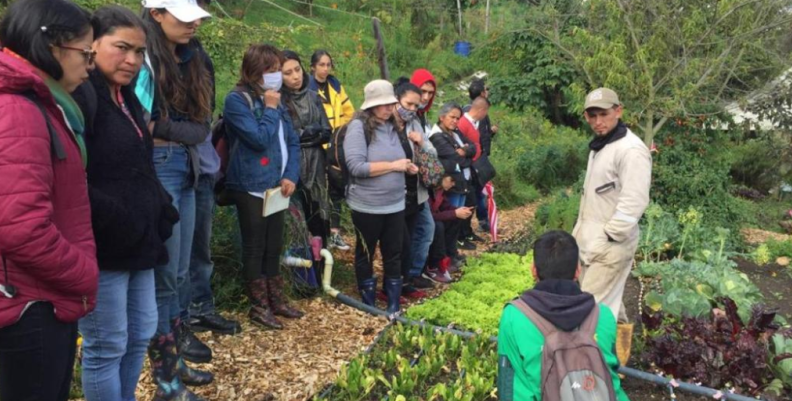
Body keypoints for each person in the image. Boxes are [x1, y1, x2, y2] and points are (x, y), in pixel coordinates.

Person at [70, 6, 176, 400]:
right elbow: (71, 180)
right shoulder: (82, 97)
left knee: (140, 334)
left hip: (139, 242)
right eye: (121, 48)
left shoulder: (126, 98)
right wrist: (117, 217)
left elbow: (137, 165)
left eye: (139, 52)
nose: (131, 60)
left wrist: (160, 207)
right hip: (104, 245)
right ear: (92, 45)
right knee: (106, 345)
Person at [0, 0, 99, 399]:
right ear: (52, 45)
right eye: (85, 52)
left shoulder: (37, 102)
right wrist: (84, 274)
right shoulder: (18, 110)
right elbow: (19, 226)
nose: (90, 64)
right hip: (32, 306)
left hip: (37, 298)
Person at [140, 0, 216, 395]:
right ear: (156, 14)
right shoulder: (144, 59)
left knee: (178, 273)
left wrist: (179, 130)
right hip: (161, 161)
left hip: (184, 163)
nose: (195, 23)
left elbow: (199, 123)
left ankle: (174, 363)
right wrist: (183, 130)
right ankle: (165, 380)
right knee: (164, 275)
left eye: (196, 16)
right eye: (184, 17)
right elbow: (140, 122)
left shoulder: (188, 56)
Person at [222, 44, 303, 329]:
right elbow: (257, 139)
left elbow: (292, 141)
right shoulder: (237, 100)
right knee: (255, 246)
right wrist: (269, 108)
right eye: (270, 70)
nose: (275, 76)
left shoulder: (277, 100)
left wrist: (291, 174)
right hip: (251, 185)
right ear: (254, 71)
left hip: (278, 186)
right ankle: (258, 306)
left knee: (273, 244)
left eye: (277, 70)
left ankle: (276, 299)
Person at [497, 231, 630, 401]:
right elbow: (611, 372)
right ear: (577, 271)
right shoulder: (602, 315)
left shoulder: (514, 317)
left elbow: (509, 388)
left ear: (534, 270)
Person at [187, 0, 242, 338]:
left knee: (199, 246)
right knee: (174, 258)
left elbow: (203, 110)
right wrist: (193, 130)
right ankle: (177, 323)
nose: (194, 23)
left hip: (202, 160)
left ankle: (201, 307)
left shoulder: (196, 53)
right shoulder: (150, 55)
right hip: (173, 160)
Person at [572, 88, 651, 323]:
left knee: (588, 313)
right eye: (592, 116)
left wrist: (610, 238)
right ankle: (621, 347)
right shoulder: (602, 145)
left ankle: (596, 358)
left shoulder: (631, 151)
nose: (598, 122)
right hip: (592, 242)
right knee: (607, 308)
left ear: (618, 111)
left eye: (604, 114)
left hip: (608, 246)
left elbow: (634, 201)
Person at [344, 79, 417, 315]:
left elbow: (396, 159)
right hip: (367, 205)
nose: (388, 108)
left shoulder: (392, 126)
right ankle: (369, 302)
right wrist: (394, 165)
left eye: (390, 103)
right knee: (366, 252)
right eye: (383, 104)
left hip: (394, 204)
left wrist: (405, 166)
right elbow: (357, 167)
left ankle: (393, 303)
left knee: (393, 253)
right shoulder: (358, 127)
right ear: (371, 105)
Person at [390, 77, 438, 298]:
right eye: (408, 104)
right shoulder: (385, 124)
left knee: (414, 236)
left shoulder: (415, 123)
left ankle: (407, 280)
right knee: (400, 241)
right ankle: (391, 285)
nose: (411, 109)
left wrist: (422, 142)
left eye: (415, 106)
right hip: (394, 193)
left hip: (415, 191)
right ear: (396, 100)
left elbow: (431, 152)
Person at [281, 50, 331, 251]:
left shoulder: (313, 96)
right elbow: (288, 135)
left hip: (317, 163)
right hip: (293, 165)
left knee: (319, 213)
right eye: (287, 73)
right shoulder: (280, 101)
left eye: (297, 69)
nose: (295, 76)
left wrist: (307, 134)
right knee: (296, 215)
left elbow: (326, 130)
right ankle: (300, 269)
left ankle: (322, 267)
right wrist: (309, 132)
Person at [309, 49, 353, 251]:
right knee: (318, 189)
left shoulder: (335, 85)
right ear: (313, 67)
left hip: (336, 144)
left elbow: (348, 112)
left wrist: (340, 132)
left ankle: (335, 232)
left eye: (328, 65)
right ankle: (317, 233)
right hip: (317, 144)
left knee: (336, 187)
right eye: (321, 65)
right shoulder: (308, 88)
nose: (325, 69)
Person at [429, 102, 477, 262]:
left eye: (458, 118)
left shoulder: (454, 133)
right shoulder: (437, 136)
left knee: (457, 221)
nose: (455, 121)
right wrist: (465, 153)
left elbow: (475, 147)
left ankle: (452, 253)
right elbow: (454, 158)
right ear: (442, 117)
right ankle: (447, 256)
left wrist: (465, 151)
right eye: (452, 117)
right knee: (449, 221)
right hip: (450, 185)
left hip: (460, 182)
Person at [426, 175, 473, 282]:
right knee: (439, 226)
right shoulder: (428, 191)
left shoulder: (439, 191)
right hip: (422, 226)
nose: (453, 184)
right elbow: (430, 216)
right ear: (441, 177)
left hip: (433, 222)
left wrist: (459, 210)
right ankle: (434, 266)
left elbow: (446, 207)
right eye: (451, 180)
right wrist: (454, 213)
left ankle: (450, 255)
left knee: (456, 218)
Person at [457, 96, 490, 238]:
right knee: (469, 201)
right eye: (486, 112)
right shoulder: (463, 123)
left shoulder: (473, 123)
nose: (486, 115)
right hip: (466, 169)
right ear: (481, 110)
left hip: (474, 168)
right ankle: (462, 233)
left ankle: (468, 231)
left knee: (474, 200)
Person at [465, 78, 498, 157]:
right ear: (482, 93)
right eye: (486, 89)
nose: (488, 92)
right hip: (478, 156)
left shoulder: (467, 108)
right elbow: (480, 136)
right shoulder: (478, 112)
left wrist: (491, 131)